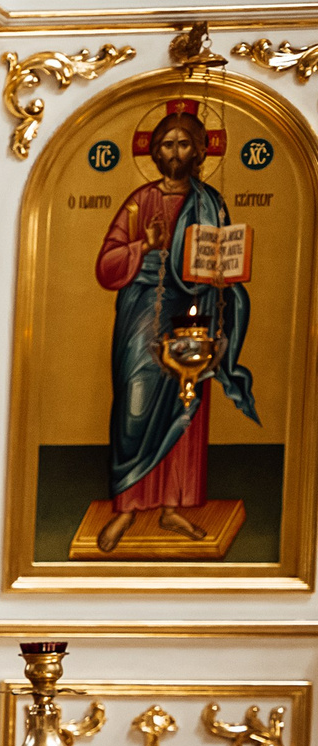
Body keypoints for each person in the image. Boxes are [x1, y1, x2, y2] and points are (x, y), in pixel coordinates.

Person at [92, 105, 255, 555]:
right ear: (154, 151)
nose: (176, 152)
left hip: (195, 308)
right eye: (167, 144)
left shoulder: (211, 202)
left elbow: (222, 256)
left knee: (188, 399)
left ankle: (173, 506)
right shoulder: (139, 201)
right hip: (144, 310)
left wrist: (225, 270)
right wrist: (146, 244)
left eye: (185, 143)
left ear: (200, 151)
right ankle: (126, 504)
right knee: (135, 401)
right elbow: (106, 266)